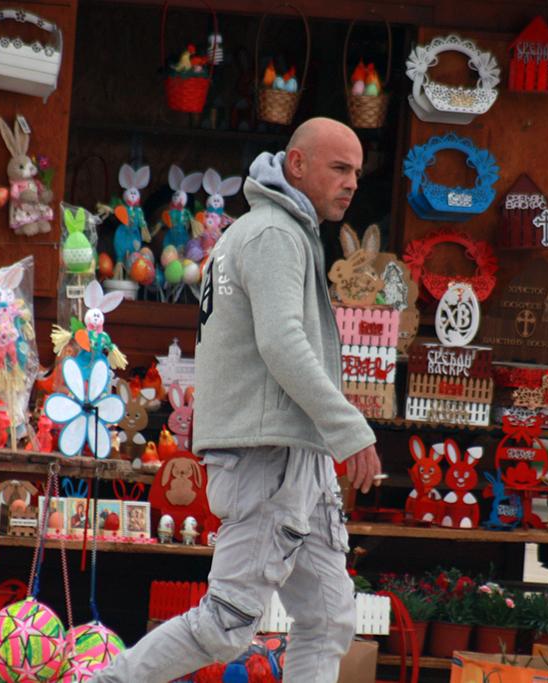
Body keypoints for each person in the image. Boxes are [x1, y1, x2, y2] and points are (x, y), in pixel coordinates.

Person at [94, 118, 382, 683]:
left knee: (327, 619)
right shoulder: (275, 233)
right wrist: (350, 431)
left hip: (287, 453)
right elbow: (282, 343)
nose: (351, 183)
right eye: (339, 168)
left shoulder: (268, 230)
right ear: (297, 164)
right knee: (225, 624)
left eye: (356, 172)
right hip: (267, 456)